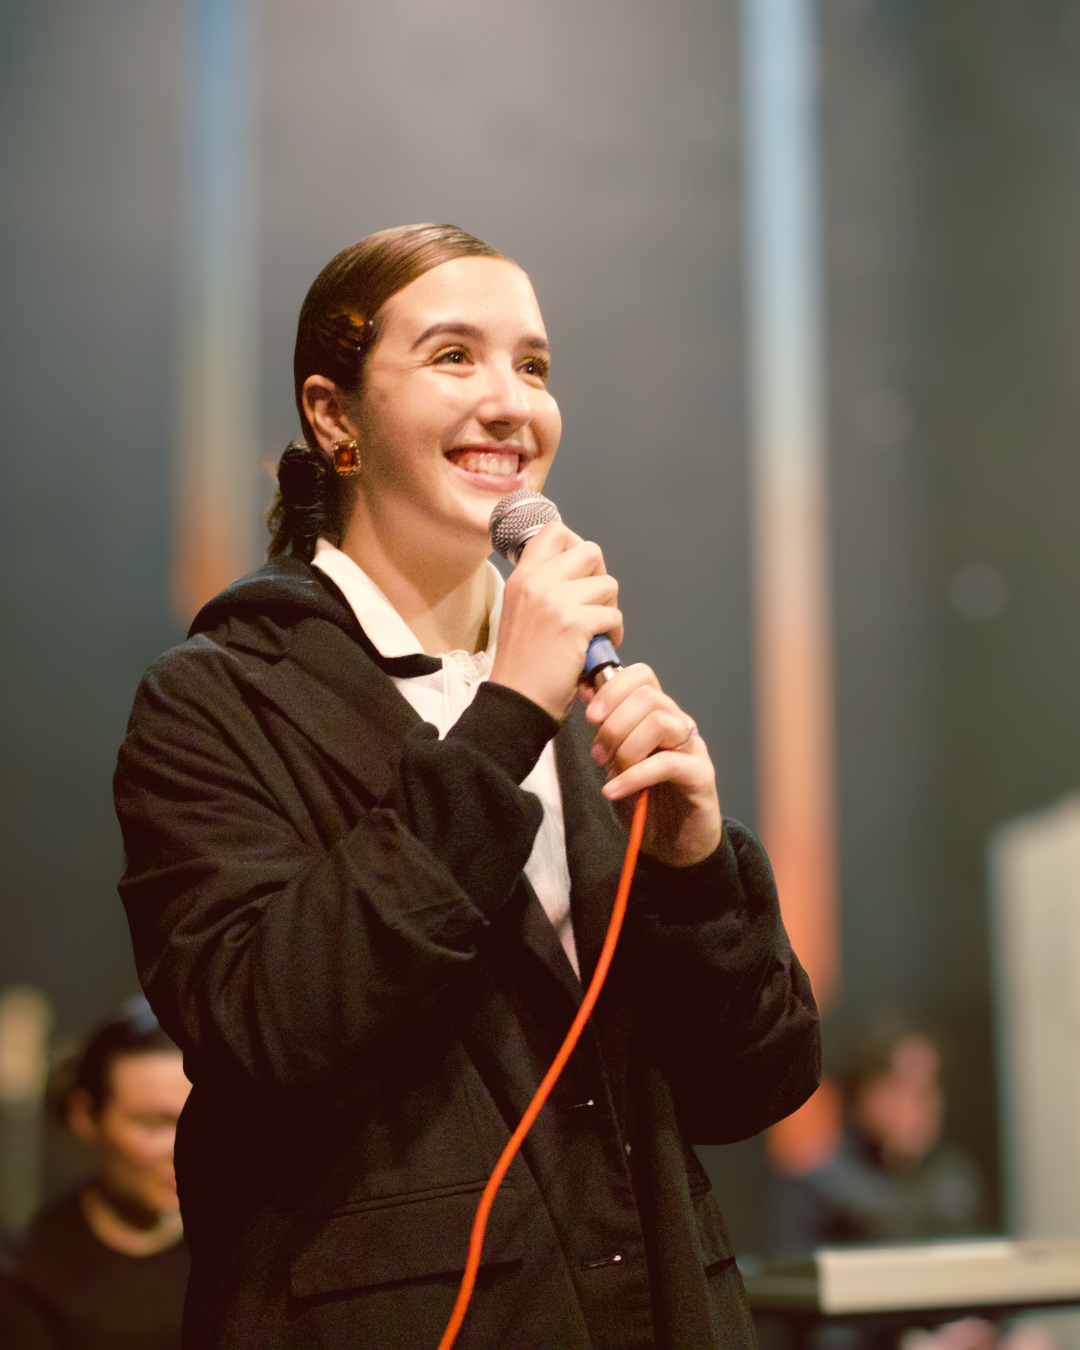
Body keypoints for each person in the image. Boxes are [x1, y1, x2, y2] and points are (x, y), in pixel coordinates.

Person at [114, 223, 821, 1348]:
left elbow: (756, 1088)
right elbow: (270, 1025)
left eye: (532, 366)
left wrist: (693, 871)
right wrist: (503, 721)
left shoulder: (590, 683)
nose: (510, 403)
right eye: (454, 356)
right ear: (333, 415)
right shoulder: (219, 697)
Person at [0, 999, 191, 1348]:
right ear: (85, 1115)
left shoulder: (245, 1254)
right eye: (152, 1124)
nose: (184, 1148)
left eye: (196, 1122)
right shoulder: (28, 1272)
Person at [773, 1026, 983, 1257]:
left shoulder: (955, 1177)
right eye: (899, 1089)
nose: (915, 1107)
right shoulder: (818, 1187)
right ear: (861, 1096)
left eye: (927, 1090)